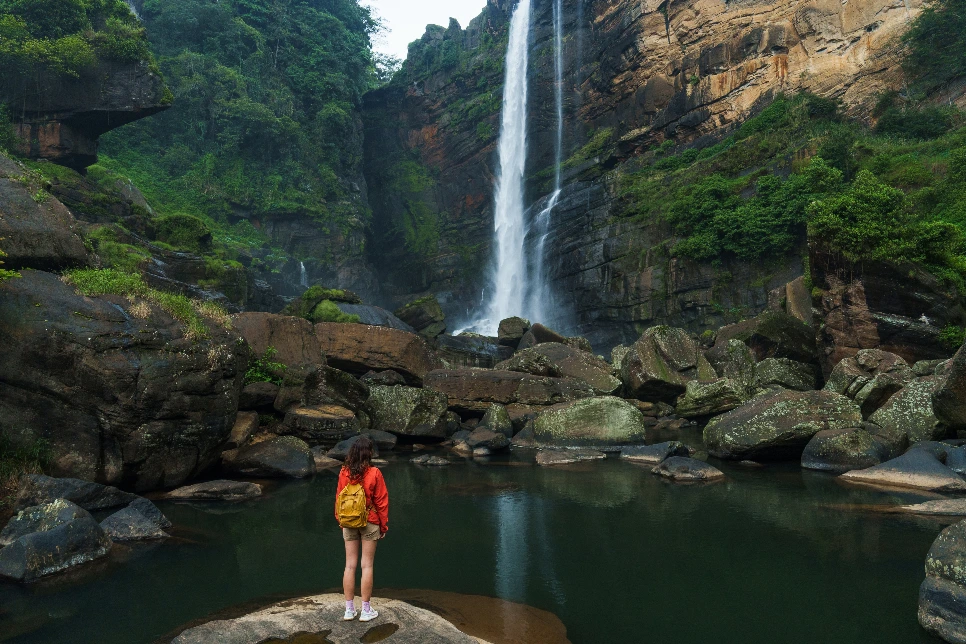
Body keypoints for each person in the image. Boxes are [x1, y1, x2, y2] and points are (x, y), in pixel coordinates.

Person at [335, 436, 388, 622]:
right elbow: (381, 502)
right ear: (369, 453)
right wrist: (383, 525)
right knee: (367, 565)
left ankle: (349, 610)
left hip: (348, 522)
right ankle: (366, 610)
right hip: (370, 521)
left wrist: (340, 520)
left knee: (349, 565)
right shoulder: (374, 473)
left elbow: (339, 499)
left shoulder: (344, 472)